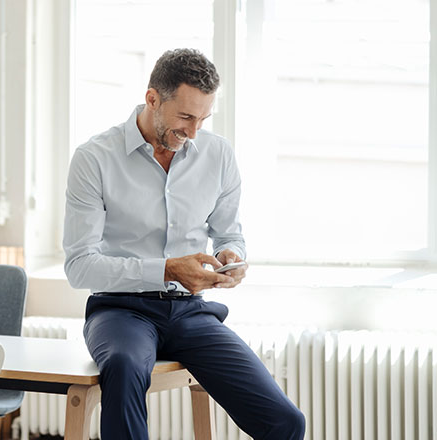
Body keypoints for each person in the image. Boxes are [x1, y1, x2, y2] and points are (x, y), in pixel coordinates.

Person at [63, 49, 305, 439]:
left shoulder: (218, 154)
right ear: (153, 99)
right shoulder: (95, 159)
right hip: (120, 311)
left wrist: (233, 257)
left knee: (285, 421)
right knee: (124, 368)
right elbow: (80, 266)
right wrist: (167, 269)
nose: (193, 132)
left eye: (203, 119)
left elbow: (229, 234)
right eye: (186, 117)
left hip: (190, 313)